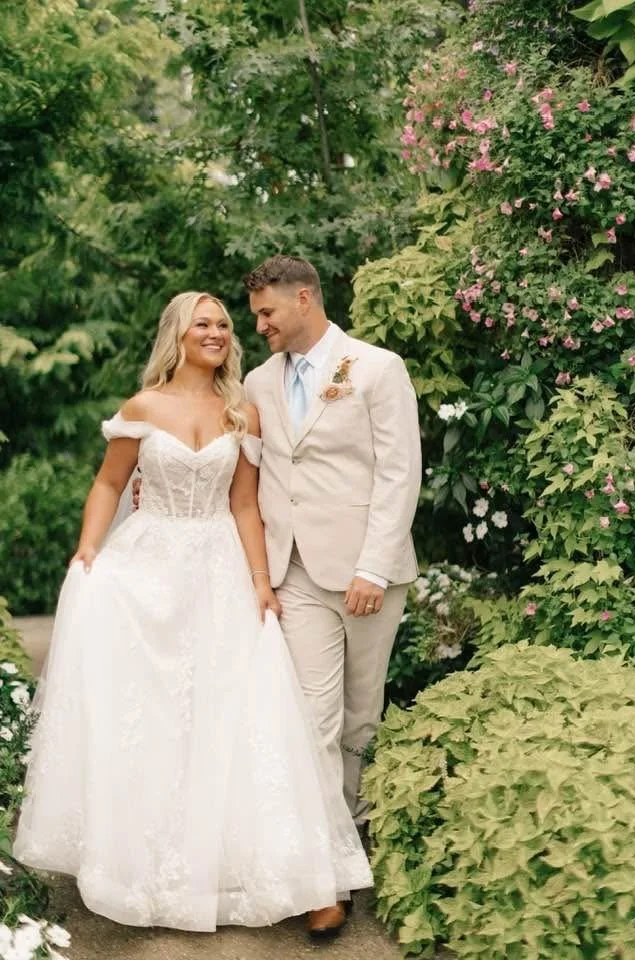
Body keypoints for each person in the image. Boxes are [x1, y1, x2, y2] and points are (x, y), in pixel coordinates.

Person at [13, 291, 372, 936]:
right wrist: (88, 549)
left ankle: (300, 876)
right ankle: (147, 871)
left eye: (223, 325)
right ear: (177, 335)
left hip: (220, 570)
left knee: (241, 714)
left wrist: (262, 582)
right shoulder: (143, 408)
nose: (216, 332)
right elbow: (109, 483)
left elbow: (243, 505)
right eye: (201, 324)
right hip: (148, 567)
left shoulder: (243, 413)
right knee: (152, 717)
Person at [243, 254, 422, 936]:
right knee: (311, 720)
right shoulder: (259, 381)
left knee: (359, 719)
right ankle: (328, 878)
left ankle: (356, 837)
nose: (258, 325)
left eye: (267, 312)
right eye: (256, 313)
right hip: (294, 572)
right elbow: (249, 466)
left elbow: (400, 471)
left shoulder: (377, 368)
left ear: (306, 298)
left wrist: (373, 568)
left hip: (365, 573)